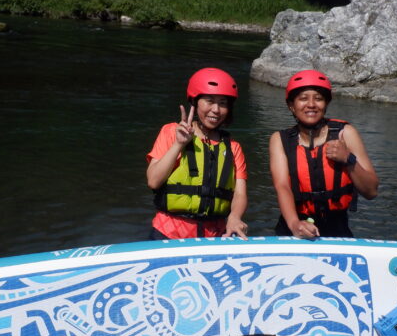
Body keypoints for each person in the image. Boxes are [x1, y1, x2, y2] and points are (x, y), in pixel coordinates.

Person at [269, 69, 379, 238]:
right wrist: (294, 224)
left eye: (318, 98)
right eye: (303, 98)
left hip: (336, 228)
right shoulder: (280, 140)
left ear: (326, 104)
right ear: (291, 105)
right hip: (293, 226)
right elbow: (282, 186)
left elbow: (371, 191)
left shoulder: (346, 133)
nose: (311, 104)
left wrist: (348, 159)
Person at [146, 67, 249, 240]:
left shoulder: (234, 147)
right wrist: (179, 144)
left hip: (215, 235)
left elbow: (240, 194)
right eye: (209, 101)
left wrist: (235, 217)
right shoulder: (171, 132)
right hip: (168, 233)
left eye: (223, 103)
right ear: (195, 102)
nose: (216, 110)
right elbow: (153, 181)